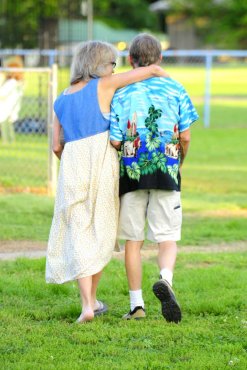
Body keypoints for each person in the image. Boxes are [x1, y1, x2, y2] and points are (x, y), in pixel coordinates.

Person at [45, 40, 168, 323]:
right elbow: (146, 71)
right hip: (100, 160)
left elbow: (55, 146)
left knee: (78, 232)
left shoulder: (61, 98)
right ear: (101, 65)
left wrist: (71, 162)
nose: (115, 68)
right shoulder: (104, 85)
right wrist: (165, 76)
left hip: (72, 162)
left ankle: (88, 304)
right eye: (112, 63)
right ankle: (91, 302)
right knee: (100, 230)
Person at [110, 34, 199, 323]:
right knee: (167, 236)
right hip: (167, 170)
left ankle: (137, 305)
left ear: (130, 60)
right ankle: (165, 279)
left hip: (132, 173)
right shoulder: (175, 88)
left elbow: (114, 140)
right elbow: (184, 135)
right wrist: (179, 161)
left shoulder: (121, 93)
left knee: (133, 241)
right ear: (160, 59)